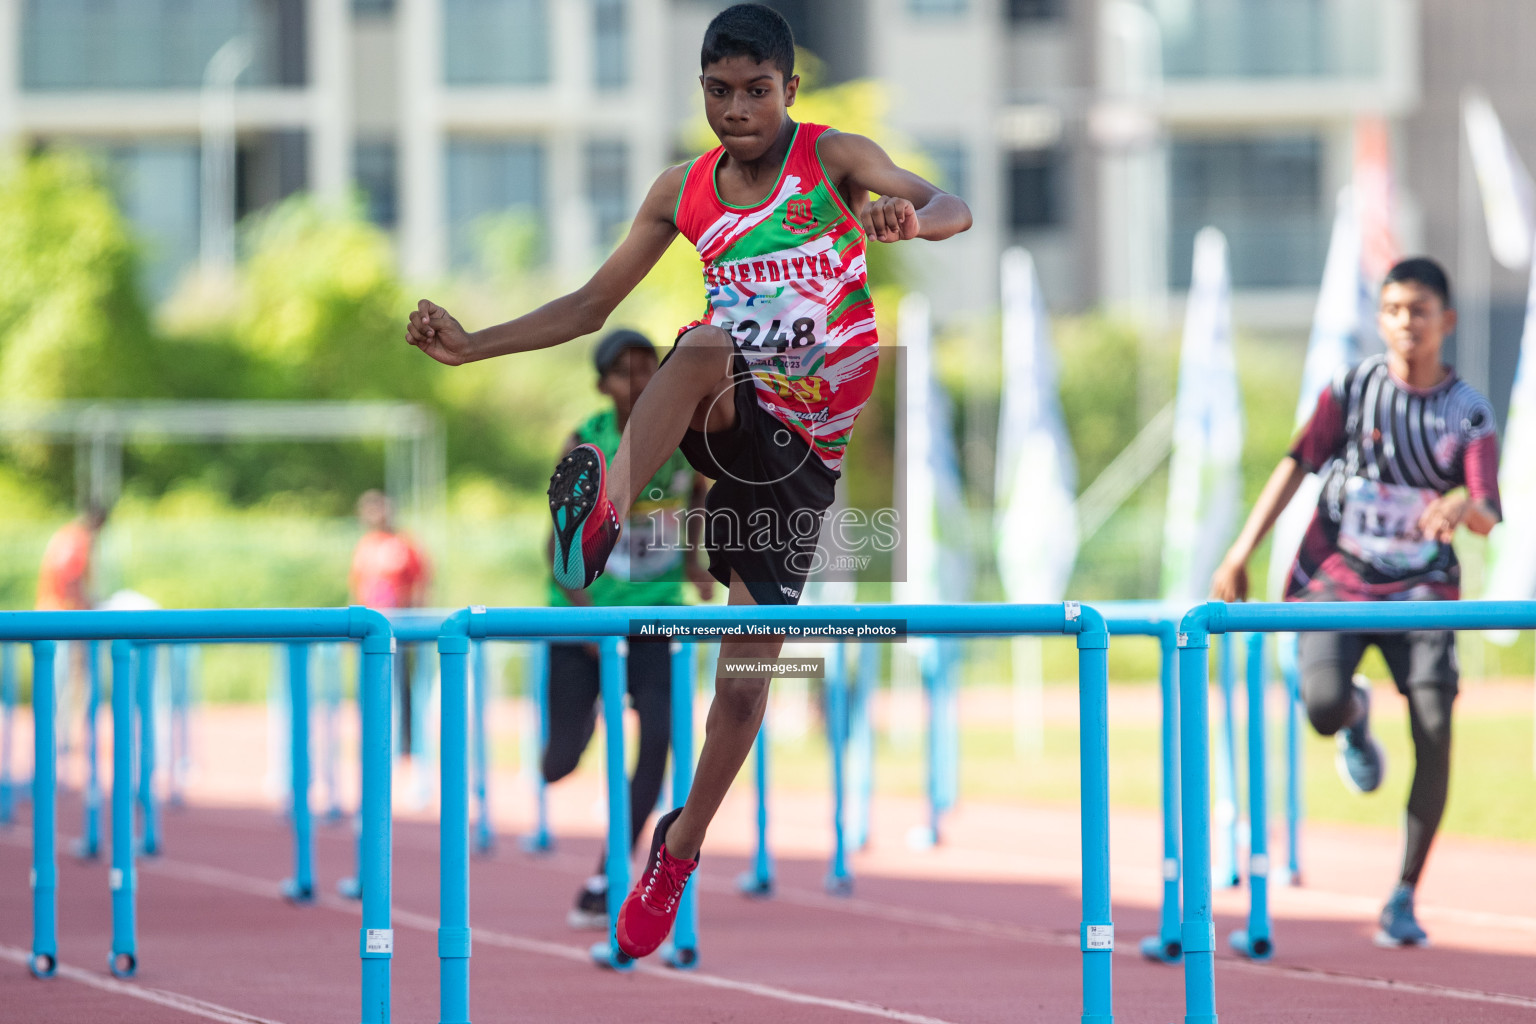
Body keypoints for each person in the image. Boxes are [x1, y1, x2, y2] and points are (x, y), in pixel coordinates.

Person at [407, 3, 971, 958]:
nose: (737, 109)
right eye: (719, 92)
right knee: (705, 343)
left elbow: (951, 202)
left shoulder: (831, 159)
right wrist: (475, 348)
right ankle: (602, 516)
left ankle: (676, 850)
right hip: (728, 414)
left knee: (747, 689)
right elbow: (591, 305)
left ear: (789, 91)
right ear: (701, 92)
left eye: (757, 91)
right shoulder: (683, 191)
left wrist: (909, 219)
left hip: (802, 462)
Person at [1211, 257, 1500, 948]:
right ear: (1380, 319)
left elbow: (1489, 509)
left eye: (1420, 312)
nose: (1407, 324)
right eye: (1395, 310)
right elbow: (1295, 462)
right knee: (1319, 707)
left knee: (1435, 727)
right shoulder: (1353, 388)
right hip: (1338, 577)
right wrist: (1240, 551)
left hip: (1423, 591)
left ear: (1445, 322)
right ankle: (1354, 716)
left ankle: (1403, 893)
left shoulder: (1469, 413)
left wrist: (1461, 503)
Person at [544, 328, 713, 929]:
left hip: (656, 615)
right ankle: (575, 729)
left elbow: (696, 506)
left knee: (660, 744)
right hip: (584, 620)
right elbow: (555, 550)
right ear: (603, 384)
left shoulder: (685, 438)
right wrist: (588, 618)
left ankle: (608, 868)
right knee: (557, 763)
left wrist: (696, 566)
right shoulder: (586, 441)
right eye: (626, 371)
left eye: (650, 367)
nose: (641, 379)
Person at [350, 490, 431, 758]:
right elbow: (357, 584)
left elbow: (421, 583)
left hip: (399, 624)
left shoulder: (404, 543)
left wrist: (415, 619)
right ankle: (374, 737)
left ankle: (406, 742)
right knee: (370, 683)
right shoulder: (365, 545)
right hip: (370, 625)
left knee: (401, 682)